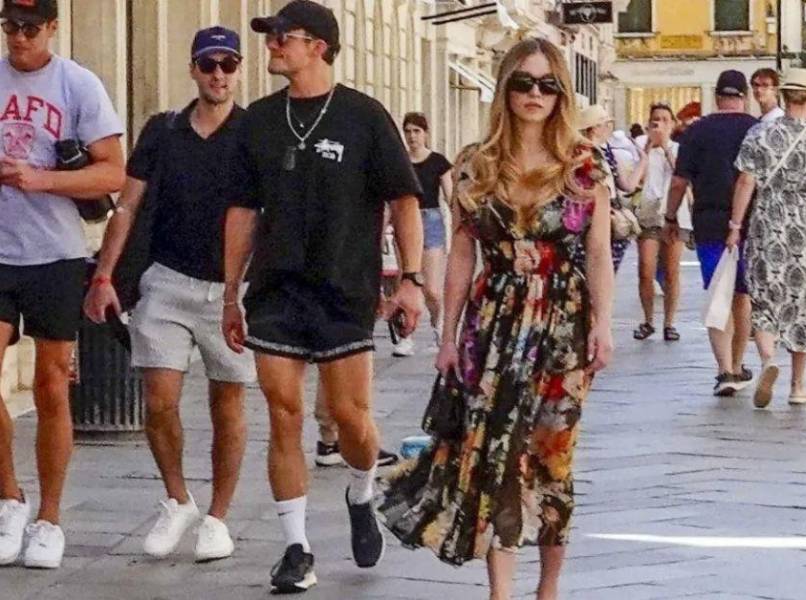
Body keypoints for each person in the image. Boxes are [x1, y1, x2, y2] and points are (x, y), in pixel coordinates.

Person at [378, 37, 614, 600]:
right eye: (523, 82)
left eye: (548, 84)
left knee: (553, 456)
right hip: (493, 320)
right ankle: (500, 593)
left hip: (563, 323)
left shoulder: (583, 164)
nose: (535, 94)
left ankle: (548, 588)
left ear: (562, 93)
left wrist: (604, 325)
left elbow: (599, 252)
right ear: (505, 88)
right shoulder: (475, 164)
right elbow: (463, 253)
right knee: (497, 452)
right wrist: (448, 335)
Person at [221, 1, 424, 593]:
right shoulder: (259, 120)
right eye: (270, 36)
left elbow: (404, 200)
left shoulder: (364, 116)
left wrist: (411, 280)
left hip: (344, 287)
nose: (271, 45)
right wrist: (231, 292)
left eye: (282, 36)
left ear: (318, 46)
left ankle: (361, 492)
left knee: (351, 418)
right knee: (283, 412)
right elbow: (242, 210)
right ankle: (296, 548)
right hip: (277, 289)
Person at [84, 27, 254, 563]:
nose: (218, 74)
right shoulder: (163, 131)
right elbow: (127, 206)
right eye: (209, 64)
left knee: (228, 401)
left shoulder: (254, 133)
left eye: (228, 64)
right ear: (193, 69)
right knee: (159, 402)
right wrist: (104, 274)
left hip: (232, 289)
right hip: (166, 281)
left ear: (238, 70)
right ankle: (178, 499)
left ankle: (218, 518)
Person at [0, 0, 124, 569]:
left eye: (30, 28)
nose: (19, 38)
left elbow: (112, 171)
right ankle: (10, 498)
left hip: (55, 254)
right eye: (10, 27)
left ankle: (50, 518)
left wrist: (41, 179)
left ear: (52, 27)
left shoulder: (78, 85)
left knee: (51, 385)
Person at [727, 69, 806, 408]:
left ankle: (768, 358)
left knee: (764, 298)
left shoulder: (760, 133)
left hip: (767, 221)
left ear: (783, 97)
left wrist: (735, 225)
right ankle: (798, 386)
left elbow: (745, 182)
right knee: (801, 302)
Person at [663, 70, 757, 397]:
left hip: (710, 222)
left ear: (717, 96)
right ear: (745, 96)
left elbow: (679, 182)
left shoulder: (697, 131)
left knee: (719, 294)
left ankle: (724, 369)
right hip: (750, 224)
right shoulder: (756, 129)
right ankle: (739, 363)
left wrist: (670, 217)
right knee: (742, 297)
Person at [391, 111, 453, 357]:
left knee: (432, 290)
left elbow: (450, 196)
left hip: (431, 220)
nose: (412, 136)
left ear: (425, 133)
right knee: (405, 281)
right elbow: (391, 197)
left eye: (417, 131)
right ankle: (406, 336)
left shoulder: (438, 162)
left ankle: (438, 326)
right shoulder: (399, 162)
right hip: (405, 221)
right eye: (407, 131)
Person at [633, 103, 691, 342]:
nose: (659, 124)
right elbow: (636, 179)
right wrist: (648, 148)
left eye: (665, 119)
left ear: (673, 124)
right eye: (655, 119)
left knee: (671, 271)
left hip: (674, 215)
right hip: (648, 214)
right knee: (645, 269)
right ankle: (648, 320)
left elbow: (682, 175)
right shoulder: (640, 148)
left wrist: (665, 147)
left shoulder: (679, 148)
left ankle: (669, 322)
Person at [578, 104, 647, 272]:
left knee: (604, 268)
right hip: (593, 216)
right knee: (594, 267)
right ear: (595, 128)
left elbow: (627, 185)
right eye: (606, 124)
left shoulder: (607, 151)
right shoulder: (584, 153)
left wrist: (643, 161)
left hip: (609, 216)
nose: (610, 128)